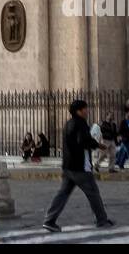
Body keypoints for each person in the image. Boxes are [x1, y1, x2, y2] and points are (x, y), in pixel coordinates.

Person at [42, 99, 114, 233]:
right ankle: (102, 220)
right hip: (80, 166)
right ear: (79, 111)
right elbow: (83, 140)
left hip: (68, 166)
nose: (87, 111)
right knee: (93, 192)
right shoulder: (80, 123)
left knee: (62, 194)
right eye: (85, 109)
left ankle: (49, 220)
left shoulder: (68, 123)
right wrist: (97, 144)